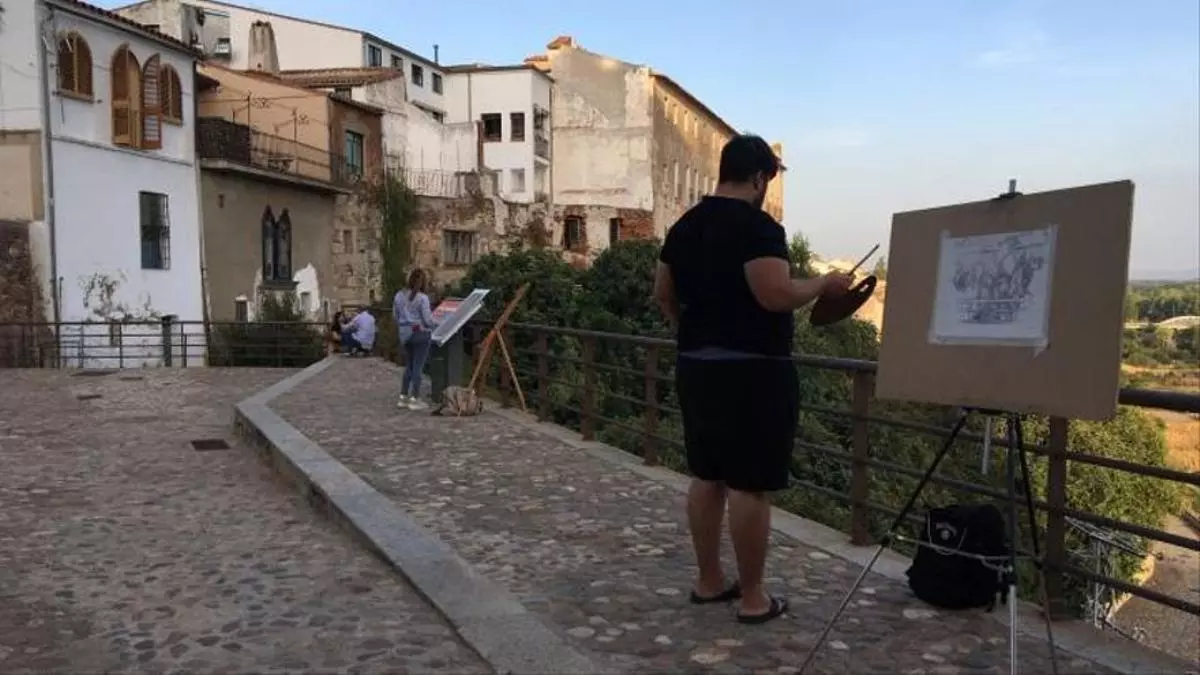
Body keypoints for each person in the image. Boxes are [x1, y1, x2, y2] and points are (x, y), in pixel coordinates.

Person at [652, 134, 853, 624]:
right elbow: (775, 294)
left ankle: (709, 582)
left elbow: (662, 294)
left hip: (696, 366)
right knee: (748, 485)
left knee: (707, 477)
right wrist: (823, 284)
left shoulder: (684, 226)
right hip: (753, 371)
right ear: (761, 179)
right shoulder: (758, 227)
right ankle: (753, 599)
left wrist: (692, 333)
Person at [394, 269, 437, 409]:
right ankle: (415, 398)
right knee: (418, 367)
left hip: (405, 334)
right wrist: (437, 323)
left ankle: (403, 396)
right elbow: (427, 320)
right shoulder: (422, 298)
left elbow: (395, 316)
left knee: (409, 365)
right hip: (420, 333)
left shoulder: (399, 295)